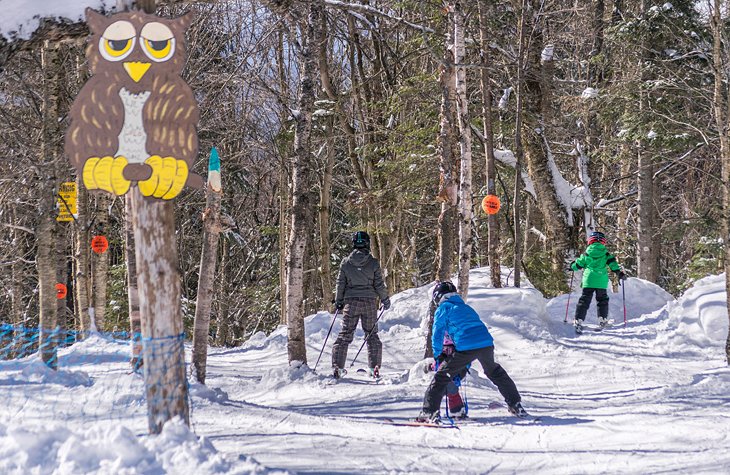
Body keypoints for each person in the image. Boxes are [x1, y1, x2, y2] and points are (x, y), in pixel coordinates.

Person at [417, 281, 526, 423]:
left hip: (466, 346)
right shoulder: (466, 307)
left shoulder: (444, 308)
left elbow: (437, 333)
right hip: (486, 344)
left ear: (438, 297)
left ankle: (428, 412)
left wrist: (438, 356)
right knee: (495, 372)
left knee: (441, 377)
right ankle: (515, 404)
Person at [332, 231, 390, 379]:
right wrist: (385, 299)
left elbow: (340, 283)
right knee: (371, 335)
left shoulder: (346, 262)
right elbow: (379, 284)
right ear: (367, 243)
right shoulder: (373, 263)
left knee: (345, 334)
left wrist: (339, 301)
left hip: (351, 303)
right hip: (369, 303)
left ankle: (338, 367)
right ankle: (374, 367)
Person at [570, 230, 626, 334]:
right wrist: (619, 273)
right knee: (602, 300)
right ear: (603, 242)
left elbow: (578, 264)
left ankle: (578, 320)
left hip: (589, 281)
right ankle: (602, 320)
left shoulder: (587, 253)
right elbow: (613, 264)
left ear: (590, 241)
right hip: (601, 280)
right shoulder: (606, 253)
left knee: (584, 300)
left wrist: (572, 266)